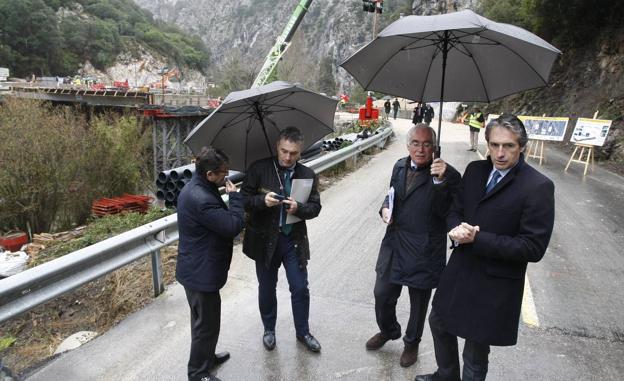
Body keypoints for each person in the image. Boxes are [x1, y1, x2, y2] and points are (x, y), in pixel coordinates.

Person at [415, 114, 555, 381]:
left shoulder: (538, 186)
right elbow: (456, 209)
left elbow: (533, 247)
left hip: (495, 281)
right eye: (494, 145)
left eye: (508, 146)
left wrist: (478, 239)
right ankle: (447, 376)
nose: (500, 153)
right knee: (438, 322)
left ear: (522, 146)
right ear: (487, 144)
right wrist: (455, 227)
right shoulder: (475, 171)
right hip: (461, 269)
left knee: (475, 350)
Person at [366, 124, 460, 368]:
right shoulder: (399, 165)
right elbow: (392, 195)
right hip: (395, 243)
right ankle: (389, 330)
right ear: (408, 146)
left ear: (435, 148)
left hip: (425, 247)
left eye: (427, 144)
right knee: (382, 294)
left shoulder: (448, 175)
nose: (420, 149)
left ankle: (411, 343)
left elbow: (447, 213)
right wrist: (385, 208)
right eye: (415, 143)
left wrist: (441, 182)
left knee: (419, 303)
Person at [241, 126, 323, 353]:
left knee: (299, 288)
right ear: (278, 146)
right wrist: (261, 201)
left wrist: (299, 208)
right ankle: (269, 329)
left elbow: (315, 208)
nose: (288, 157)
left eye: (293, 153)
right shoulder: (259, 169)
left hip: (292, 240)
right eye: (284, 151)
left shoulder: (307, 174)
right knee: (267, 287)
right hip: (265, 240)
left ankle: (303, 332)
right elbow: (243, 200)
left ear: (301, 151)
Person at [176, 146, 245, 381]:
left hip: (197, 269)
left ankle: (207, 357)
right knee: (205, 325)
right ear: (209, 174)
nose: (226, 176)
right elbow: (232, 226)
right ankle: (198, 373)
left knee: (206, 322)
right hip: (200, 274)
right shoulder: (201, 197)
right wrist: (235, 198)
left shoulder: (199, 186)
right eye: (223, 173)